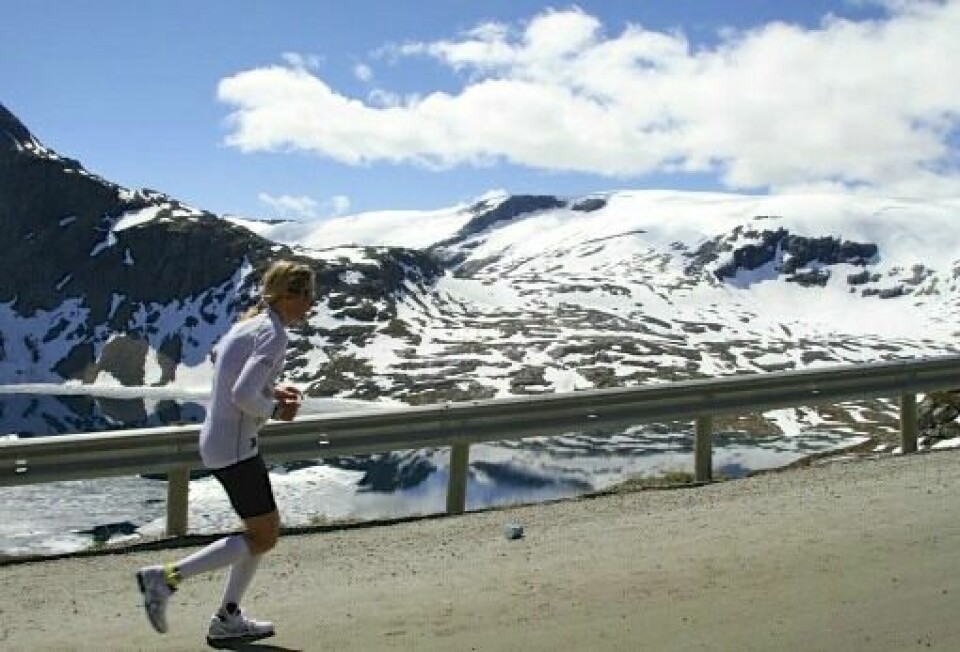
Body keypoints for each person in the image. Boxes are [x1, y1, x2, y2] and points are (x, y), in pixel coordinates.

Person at [136, 260, 315, 646]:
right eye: (307, 296)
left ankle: (228, 616)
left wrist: (271, 389)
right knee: (265, 536)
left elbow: (231, 374)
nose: (310, 305)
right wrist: (276, 408)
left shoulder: (248, 324)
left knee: (258, 533)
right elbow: (243, 395)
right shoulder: (273, 334)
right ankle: (165, 579)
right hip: (236, 448)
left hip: (221, 441)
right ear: (290, 296)